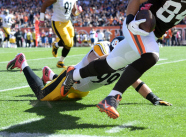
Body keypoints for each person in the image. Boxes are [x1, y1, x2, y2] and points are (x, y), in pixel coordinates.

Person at [7, 36, 171, 106]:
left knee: (70, 99)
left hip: (82, 91)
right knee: (42, 97)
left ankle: (49, 75)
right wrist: (118, 62)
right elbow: (94, 65)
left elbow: (137, 82)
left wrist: (154, 99)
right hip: (70, 79)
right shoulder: (103, 47)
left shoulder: (124, 62)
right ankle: (23, 62)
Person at [39, 0, 83, 68]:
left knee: (71, 42)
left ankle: (60, 61)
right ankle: (56, 45)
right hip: (58, 22)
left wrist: (79, 12)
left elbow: (74, 13)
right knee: (68, 43)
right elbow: (44, 5)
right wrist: (42, 19)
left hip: (68, 22)